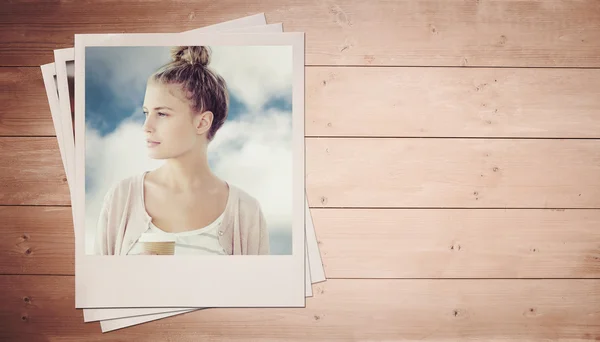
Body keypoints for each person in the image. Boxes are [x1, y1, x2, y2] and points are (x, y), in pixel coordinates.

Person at [93, 46, 269, 256]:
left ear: (202, 122)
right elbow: (100, 285)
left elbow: (257, 289)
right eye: (146, 113)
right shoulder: (121, 198)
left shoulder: (245, 212)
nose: (146, 126)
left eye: (162, 114)